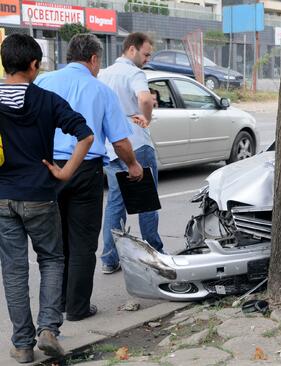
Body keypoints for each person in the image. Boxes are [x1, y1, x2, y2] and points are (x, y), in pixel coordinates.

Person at [35, 34, 143, 323]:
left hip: (47, 168)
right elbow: (120, 143)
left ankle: (54, 304)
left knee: (54, 241)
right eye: (99, 63)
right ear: (93, 59)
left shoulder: (43, 82)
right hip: (85, 169)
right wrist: (133, 165)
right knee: (83, 241)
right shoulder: (100, 91)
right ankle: (77, 307)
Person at [0, 34, 94, 363]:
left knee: (13, 271)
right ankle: (48, 331)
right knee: (52, 260)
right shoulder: (47, 100)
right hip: (40, 194)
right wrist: (66, 171)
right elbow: (85, 134)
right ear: (34, 65)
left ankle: (23, 345)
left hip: (2, 198)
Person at [98, 32, 165, 275]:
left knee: (115, 204)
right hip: (137, 146)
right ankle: (154, 254)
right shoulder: (134, 73)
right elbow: (145, 98)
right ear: (132, 49)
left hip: (112, 148)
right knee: (146, 202)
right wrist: (146, 118)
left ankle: (108, 259)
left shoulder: (104, 74)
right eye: (146, 54)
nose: (147, 59)